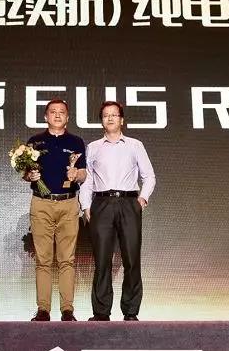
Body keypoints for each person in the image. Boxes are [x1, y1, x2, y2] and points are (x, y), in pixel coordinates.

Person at [80, 101, 156, 322]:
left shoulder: (135, 145)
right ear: (101, 121)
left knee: (131, 258)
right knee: (102, 260)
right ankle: (101, 312)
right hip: (101, 203)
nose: (110, 118)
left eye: (114, 115)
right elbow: (87, 180)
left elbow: (149, 176)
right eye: (106, 115)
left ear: (122, 120)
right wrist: (86, 205)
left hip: (129, 203)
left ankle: (131, 311)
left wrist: (142, 199)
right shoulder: (93, 147)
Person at [24, 98, 87, 321]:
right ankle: (43, 309)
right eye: (53, 111)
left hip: (68, 203)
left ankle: (67, 310)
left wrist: (76, 174)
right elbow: (26, 173)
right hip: (41, 203)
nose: (57, 115)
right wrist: (30, 175)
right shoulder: (35, 142)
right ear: (45, 116)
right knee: (43, 259)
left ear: (68, 117)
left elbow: (83, 173)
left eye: (61, 112)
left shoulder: (76, 142)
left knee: (67, 259)